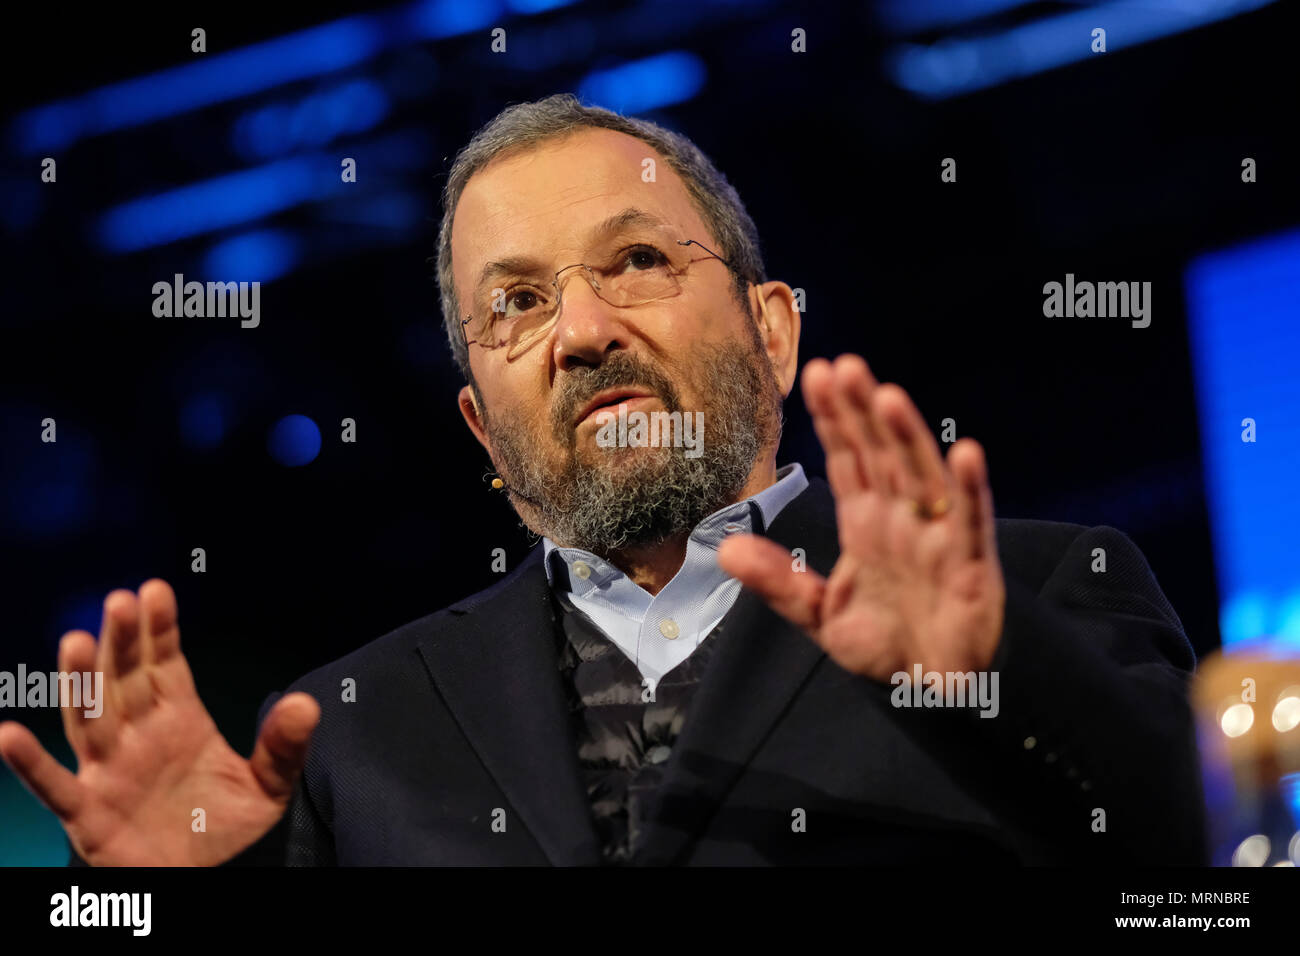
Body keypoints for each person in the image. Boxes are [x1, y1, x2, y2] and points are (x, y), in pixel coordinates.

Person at [0, 94, 1206, 865]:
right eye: (515, 303)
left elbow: (1214, 868)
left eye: (634, 260)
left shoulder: (1041, 588)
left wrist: (991, 674)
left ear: (772, 331)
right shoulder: (351, 730)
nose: (579, 330)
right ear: (480, 421)